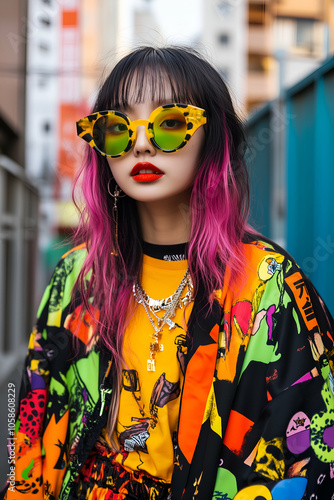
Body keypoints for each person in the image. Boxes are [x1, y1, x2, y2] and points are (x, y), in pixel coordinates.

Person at [2, 46, 334, 500]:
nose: (140, 143)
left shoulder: (271, 285)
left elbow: (316, 456)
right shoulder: (77, 276)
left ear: (212, 137)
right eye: (117, 128)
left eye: (170, 123)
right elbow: (28, 430)